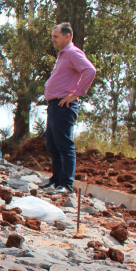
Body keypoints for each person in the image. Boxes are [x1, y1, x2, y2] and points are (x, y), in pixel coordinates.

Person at [44, 23, 96, 193]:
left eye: (56, 36)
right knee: (52, 145)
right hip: (54, 105)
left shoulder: (73, 53)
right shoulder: (62, 55)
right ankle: (56, 180)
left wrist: (76, 94)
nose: (53, 40)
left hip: (64, 106)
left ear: (67, 36)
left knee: (65, 145)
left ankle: (66, 184)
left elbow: (89, 70)